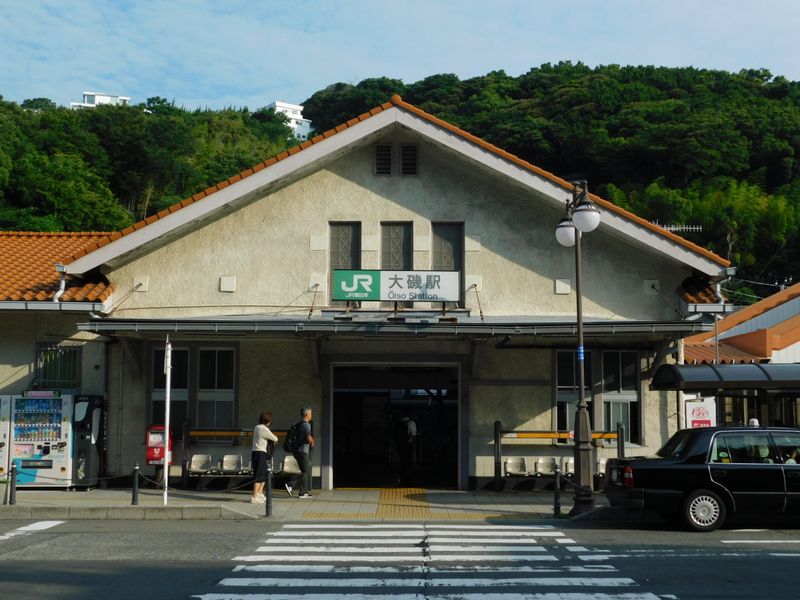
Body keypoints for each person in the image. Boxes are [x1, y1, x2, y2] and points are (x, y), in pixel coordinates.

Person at [285, 407, 314, 498]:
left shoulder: (298, 424)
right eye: (311, 413)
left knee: (304, 471)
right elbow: (309, 438)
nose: (311, 415)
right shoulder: (306, 425)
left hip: (296, 451)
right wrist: (312, 441)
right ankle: (291, 484)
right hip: (303, 451)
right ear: (306, 414)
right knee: (306, 471)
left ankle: (303, 492)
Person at [251, 411, 278, 503]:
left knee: (264, 474)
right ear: (268, 421)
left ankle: (259, 493)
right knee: (259, 475)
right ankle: (254, 496)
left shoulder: (256, 427)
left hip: (256, 453)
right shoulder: (263, 429)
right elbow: (275, 438)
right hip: (260, 453)